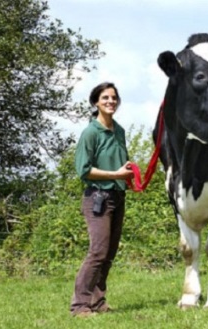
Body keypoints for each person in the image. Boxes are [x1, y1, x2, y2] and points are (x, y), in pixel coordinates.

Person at [70, 82, 134, 317]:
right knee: (97, 252)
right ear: (96, 102)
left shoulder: (119, 131)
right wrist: (116, 174)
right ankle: (79, 306)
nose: (111, 101)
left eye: (114, 98)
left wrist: (129, 175)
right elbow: (83, 170)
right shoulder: (90, 132)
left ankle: (98, 302)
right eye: (105, 98)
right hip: (97, 198)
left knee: (108, 254)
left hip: (118, 196)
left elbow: (120, 163)